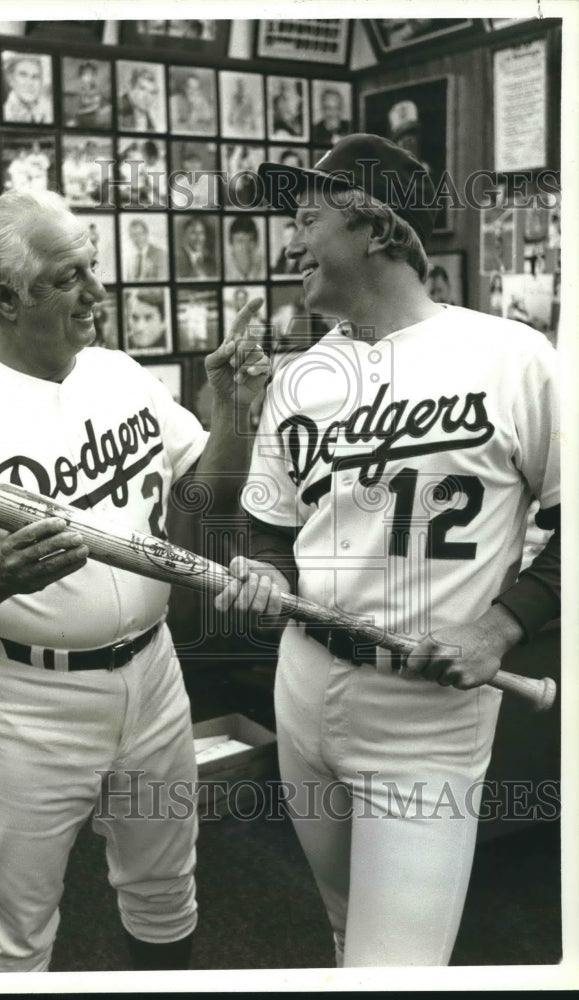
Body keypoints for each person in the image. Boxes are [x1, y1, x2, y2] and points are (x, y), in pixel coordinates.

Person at [0, 189, 269, 973]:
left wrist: (231, 410)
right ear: (2, 297)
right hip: (26, 701)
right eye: (67, 276)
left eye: (92, 266)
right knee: (15, 926)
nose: (96, 292)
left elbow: (202, 501)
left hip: (151, 674)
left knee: (165, 887)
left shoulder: (119, 374)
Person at [214, 134, 560, 967]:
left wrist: (499, 628)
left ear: (373, 227)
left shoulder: (511, 357)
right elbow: (270, 521)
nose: (287, 243)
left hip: (425, 711)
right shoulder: (301, 378)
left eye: (305, 218)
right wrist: (261, 566)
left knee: (395, 966)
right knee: (341, 927)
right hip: (303, 685)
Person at [3, 53, 53, 124]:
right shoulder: (4, 114)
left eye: (35, 77)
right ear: (11, 79)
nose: (30, 83)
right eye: (23, 75)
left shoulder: (49, 111)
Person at [68, 61, 112, 129]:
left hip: (93, 117)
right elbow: (76, 108)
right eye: (86, 74)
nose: (89, 77)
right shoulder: (78, 90)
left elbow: (99, 104)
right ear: (81, 76)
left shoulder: (96, 90)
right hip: (81, 117)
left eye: (92, 74)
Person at [118, 66, 160, 132]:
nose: (147, 97)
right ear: (130, 88)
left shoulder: (149, 119)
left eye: (152, 92)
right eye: (142, 89)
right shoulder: (118, 110)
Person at [224, 216, 265, 281]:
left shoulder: (265, 267)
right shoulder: (222, 270)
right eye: (240, 241)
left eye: (250, 240)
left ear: (256, 243)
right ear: (231, 244)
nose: (245, 247)